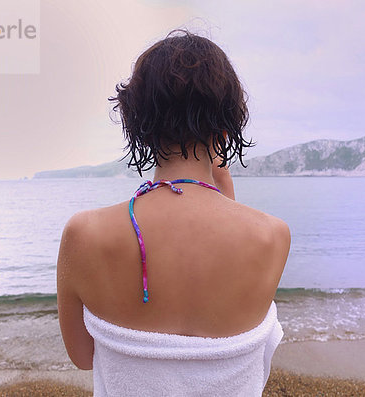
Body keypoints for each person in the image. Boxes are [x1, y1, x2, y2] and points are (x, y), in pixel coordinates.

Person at [57, 30, 291, 396]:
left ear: (139, 126)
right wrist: (224, 195)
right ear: (226, 130)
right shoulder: (272, 236)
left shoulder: (84, 234)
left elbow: (83, 356)